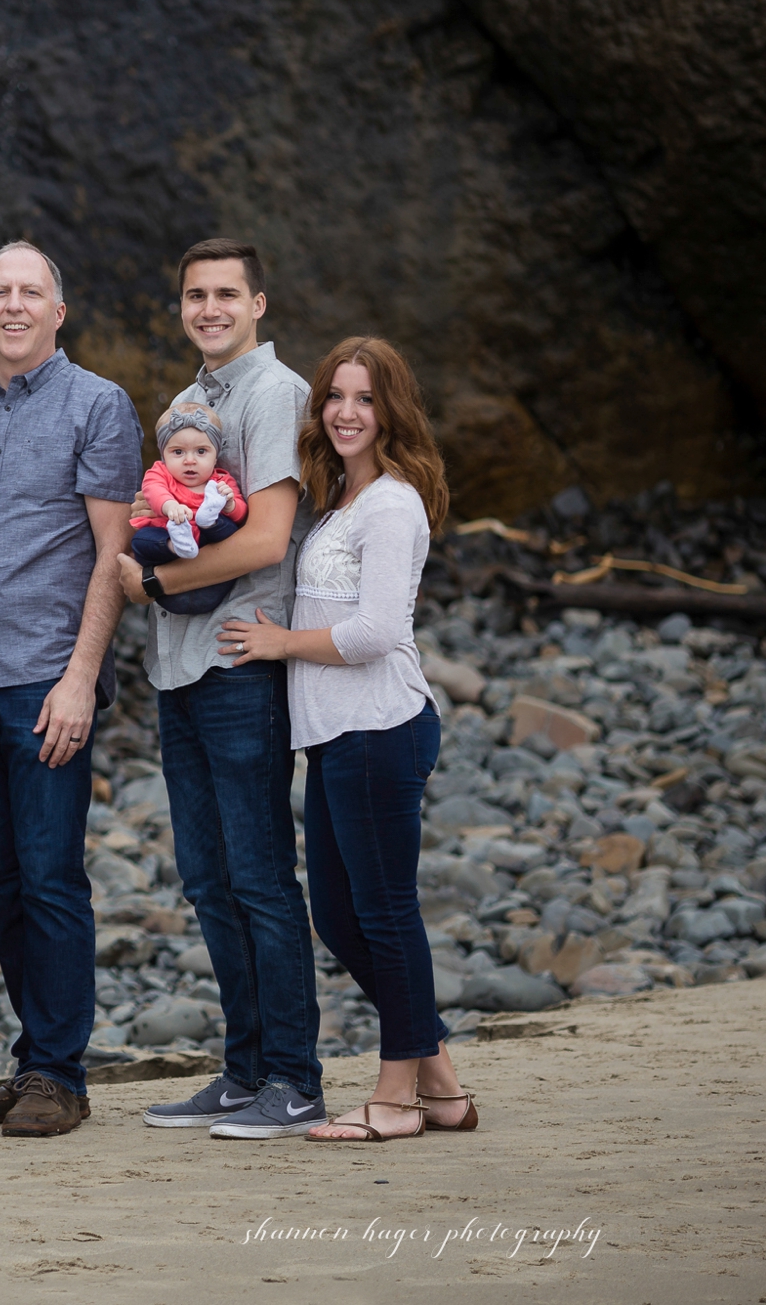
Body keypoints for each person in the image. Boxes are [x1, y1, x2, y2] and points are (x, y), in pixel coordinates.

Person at [215, 338, 476, 1142]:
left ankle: (396, 1099)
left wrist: (278, 643)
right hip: (336, 735)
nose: (347, 413)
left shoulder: (392, 503)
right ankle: (441, 1082)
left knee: (386, 913)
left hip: (381, 727)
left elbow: (373, 632)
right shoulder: (341, 503)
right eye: (335, 397)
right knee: (338, 913)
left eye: (365, 399)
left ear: (390, 410)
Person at [117, 239, 323, 1139]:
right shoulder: (188, 405)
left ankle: (296, 1079)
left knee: (261, 879)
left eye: (226, 295)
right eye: (195, 294)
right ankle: (243, 1073)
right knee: (207, 880)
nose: (210, 308)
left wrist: (153, 585)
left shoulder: (277, 396)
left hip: (238, 663)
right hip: (179, 668)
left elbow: (268, 539)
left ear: (259, 304)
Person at [0, 242, 142, 1138]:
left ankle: (60, 1073)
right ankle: (34, 1059)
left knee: (53, 879)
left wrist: (82, 679)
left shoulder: (99, 406)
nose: (13, 306)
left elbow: (112, 554)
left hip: (44, 685)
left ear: (60, 311)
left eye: (32, 293)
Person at [127, 402, 249, 613]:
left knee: (229, 527)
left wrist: (230, 506)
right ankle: (177, 544)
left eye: (201, 451)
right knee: (140, 541)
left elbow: (241, 515)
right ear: (163, 455)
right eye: (178, 452)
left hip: (207, 546)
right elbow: (152, 490)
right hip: (169, 543)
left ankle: (209, 518)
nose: (189, 461)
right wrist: (169, 506)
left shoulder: (220, 481)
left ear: (216, 455)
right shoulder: (161, 473)